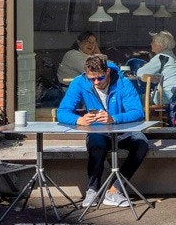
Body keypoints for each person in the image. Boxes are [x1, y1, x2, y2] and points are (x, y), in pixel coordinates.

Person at [56, 55, 150, 208]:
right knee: (96, 144)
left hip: (122, 131)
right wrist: (77, 120)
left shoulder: (122, 83)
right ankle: (92, 190)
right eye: (91, 79)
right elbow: (62, 112)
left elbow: (138, 112)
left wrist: (114, 118)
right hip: (98, 131)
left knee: (141, 143)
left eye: (99, 78)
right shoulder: (80, 82)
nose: (96, 82)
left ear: (107, 71)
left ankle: (115, 190)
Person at [134, 30, 176, 126]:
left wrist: (152, 76)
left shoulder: (162, 57)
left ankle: (139, 124)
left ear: (160, 44)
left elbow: (140, 72)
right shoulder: (171, 55)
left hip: (165, 96)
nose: (151, 44)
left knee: (136, 98)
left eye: (153, 42)